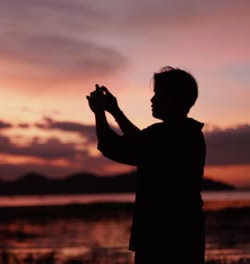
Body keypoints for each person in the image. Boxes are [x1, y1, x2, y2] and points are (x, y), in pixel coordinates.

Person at [86, 66, 206, 264]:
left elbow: (112, 146)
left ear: (173, 98)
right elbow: (142, 142)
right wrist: (115, 111)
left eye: (157, 94)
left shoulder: (166, 135)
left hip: (161, 239)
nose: (152, 100)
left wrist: (99, 112)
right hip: (187, 236)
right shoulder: (189, 132)